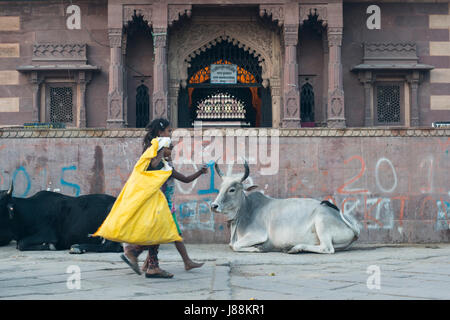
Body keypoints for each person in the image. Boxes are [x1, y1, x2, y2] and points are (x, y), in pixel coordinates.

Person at [121, 118, 207, 278]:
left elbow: (184, 178)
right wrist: (161, 148)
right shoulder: (154, 155)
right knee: (167, 233)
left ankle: (150, 264)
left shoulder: (164, 163)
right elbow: (153, 166)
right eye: (168, 131)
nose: (171, 135)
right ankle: (135, 252)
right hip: (159, 204)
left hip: (163, 204)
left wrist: (199, 172)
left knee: (162, 233)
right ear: (160, 133)